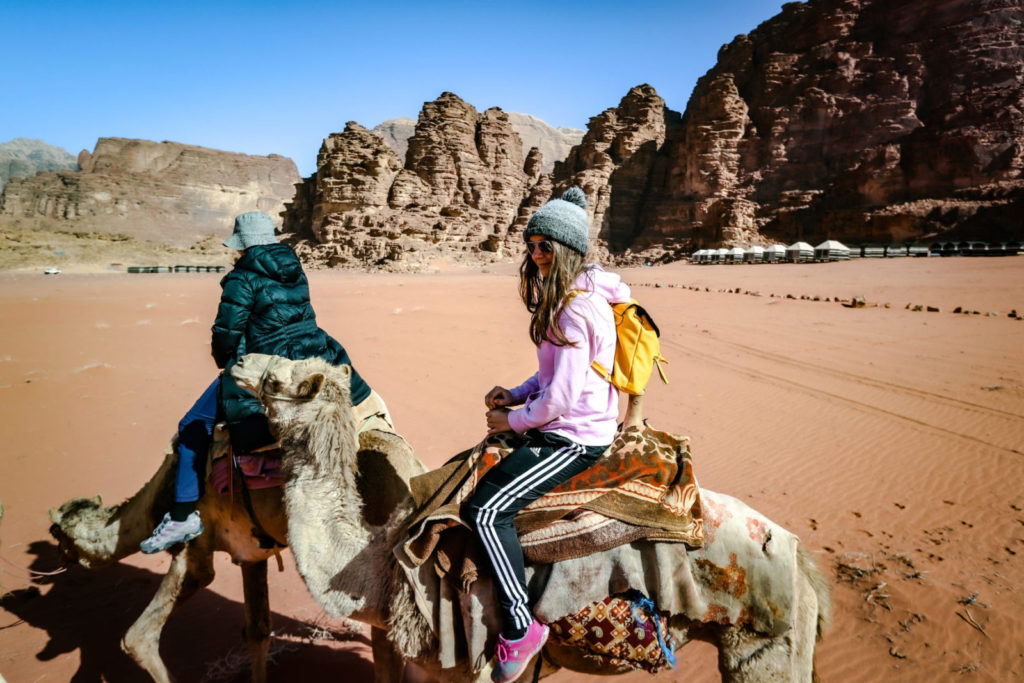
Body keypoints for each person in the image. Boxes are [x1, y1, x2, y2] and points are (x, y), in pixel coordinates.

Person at [141, 211, 392, 554]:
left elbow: (226, 334)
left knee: (192, 425)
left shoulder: (241, 278)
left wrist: (230, 366)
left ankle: (184, 515)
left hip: (270, 365)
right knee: (360, 404)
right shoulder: (293, 266)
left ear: (241, 245)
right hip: (318, 353)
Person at [462, 188, 631, 682]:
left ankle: (520, 626)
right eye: (532, 243)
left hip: (576, 438)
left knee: (486, 511)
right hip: (564, 422)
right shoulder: (573, 301)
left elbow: (558, 401)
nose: (536, 254)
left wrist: (511, 422)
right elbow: (549, 377)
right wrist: (514, 394)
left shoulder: (576, 309)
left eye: (546, 245)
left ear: (569, 250)